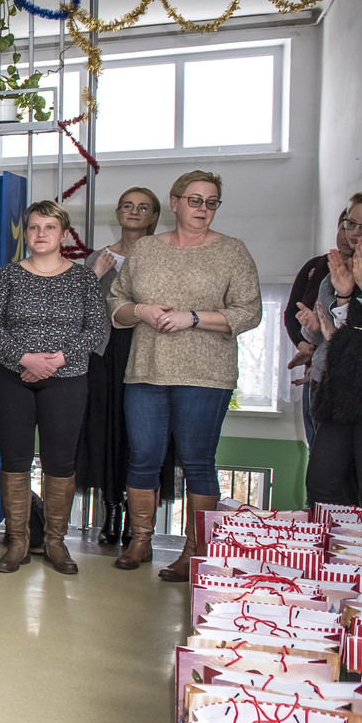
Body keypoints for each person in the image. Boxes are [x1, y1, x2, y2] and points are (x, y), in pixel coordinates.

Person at [109, 170, 262, 581]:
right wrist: (140, 310)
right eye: (195, 200)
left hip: (205, 374)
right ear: (174, 202)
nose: (203, 209)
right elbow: (116, 301)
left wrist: (192, 317)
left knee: (197, 462)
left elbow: (249, 312)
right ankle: (140, 540)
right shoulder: (146, 249)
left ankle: (195, 551)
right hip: (146, 370)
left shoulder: (232, 251)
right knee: (142, 458)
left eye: (211, 202)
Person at [0, 201, 111, 574]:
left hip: (67, 380)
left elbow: (97, 328)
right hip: (12, 378)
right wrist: (26, 359)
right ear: (26, 232)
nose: (41, 234)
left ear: (64, 234)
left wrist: (56, 361)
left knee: (61, 462)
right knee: (14, 460)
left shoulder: (83, 278)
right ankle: (18, 542)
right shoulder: (7, 275)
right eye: (34, 227)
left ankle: (55, 543)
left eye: (50, 227)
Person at [77, 187, 161, 544]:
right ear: (118, 213)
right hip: (105, 354)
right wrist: (94, 276)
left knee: (141, 434)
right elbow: (79, 308)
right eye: (127, 205)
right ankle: (111, 507)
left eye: (143, 207)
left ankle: (135, 515)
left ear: (154, 216)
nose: (134, 211)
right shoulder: (98, 258)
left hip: (149, 351)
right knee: (105, 428)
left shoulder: (164, 256)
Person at [307, 246, 362, 505]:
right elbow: (349, 335)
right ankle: (335, 534)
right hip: (342, 393)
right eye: (350, 226)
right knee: (321, 484)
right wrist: (344, 295)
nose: (355, 234)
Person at [285, 213, 351, 445]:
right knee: (316, 445)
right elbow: (293, 315)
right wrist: (306, 345)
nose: (350, 234)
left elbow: (347, 333)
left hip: (348, 378)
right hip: (317, 372)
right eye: (346, 226)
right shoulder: (317, 268)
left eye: (361, 227)